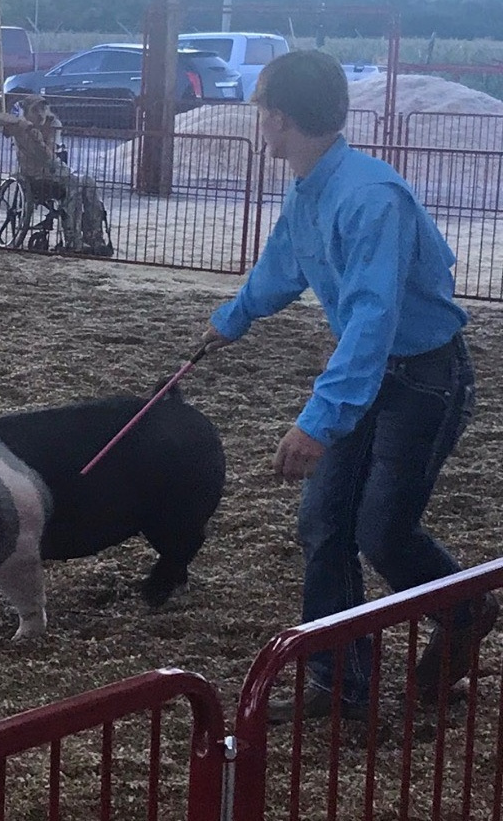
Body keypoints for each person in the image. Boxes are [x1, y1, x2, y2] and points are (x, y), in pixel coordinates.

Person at [202, 50, 498, 722]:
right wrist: (233, 318)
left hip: (423, 376)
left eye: (260, 113)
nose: (260, 125)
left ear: (277, 118)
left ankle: (466, 608)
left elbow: (372, 316)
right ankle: (341, 686)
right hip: (374, 369)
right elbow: (285, 259)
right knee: (324, 523)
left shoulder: (369, 197)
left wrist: (319, 419)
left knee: (382, 531)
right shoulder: (309, 185)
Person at [0, 95, 111, 255]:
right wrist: (25, 126)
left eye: (43, 109)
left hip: (56, 170)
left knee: (89, 182)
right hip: (35, 175)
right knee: (73, 185)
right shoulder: (19, 129)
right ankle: (72, 240)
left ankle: (95, 237)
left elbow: (52, 157)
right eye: (35, 110)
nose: (40, 114)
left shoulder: (53, 125)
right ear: (26, 112)